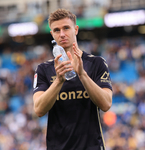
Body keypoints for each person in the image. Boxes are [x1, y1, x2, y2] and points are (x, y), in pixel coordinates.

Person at [33, 8, 112, 150]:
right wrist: (58, 81)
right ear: (52, 34)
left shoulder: (96, 63)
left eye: (66, 28)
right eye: (57, 30)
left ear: (75, 29)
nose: (62, 34)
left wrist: (82, 75)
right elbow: (39, 109)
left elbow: (106, 104)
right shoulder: (43, 69)